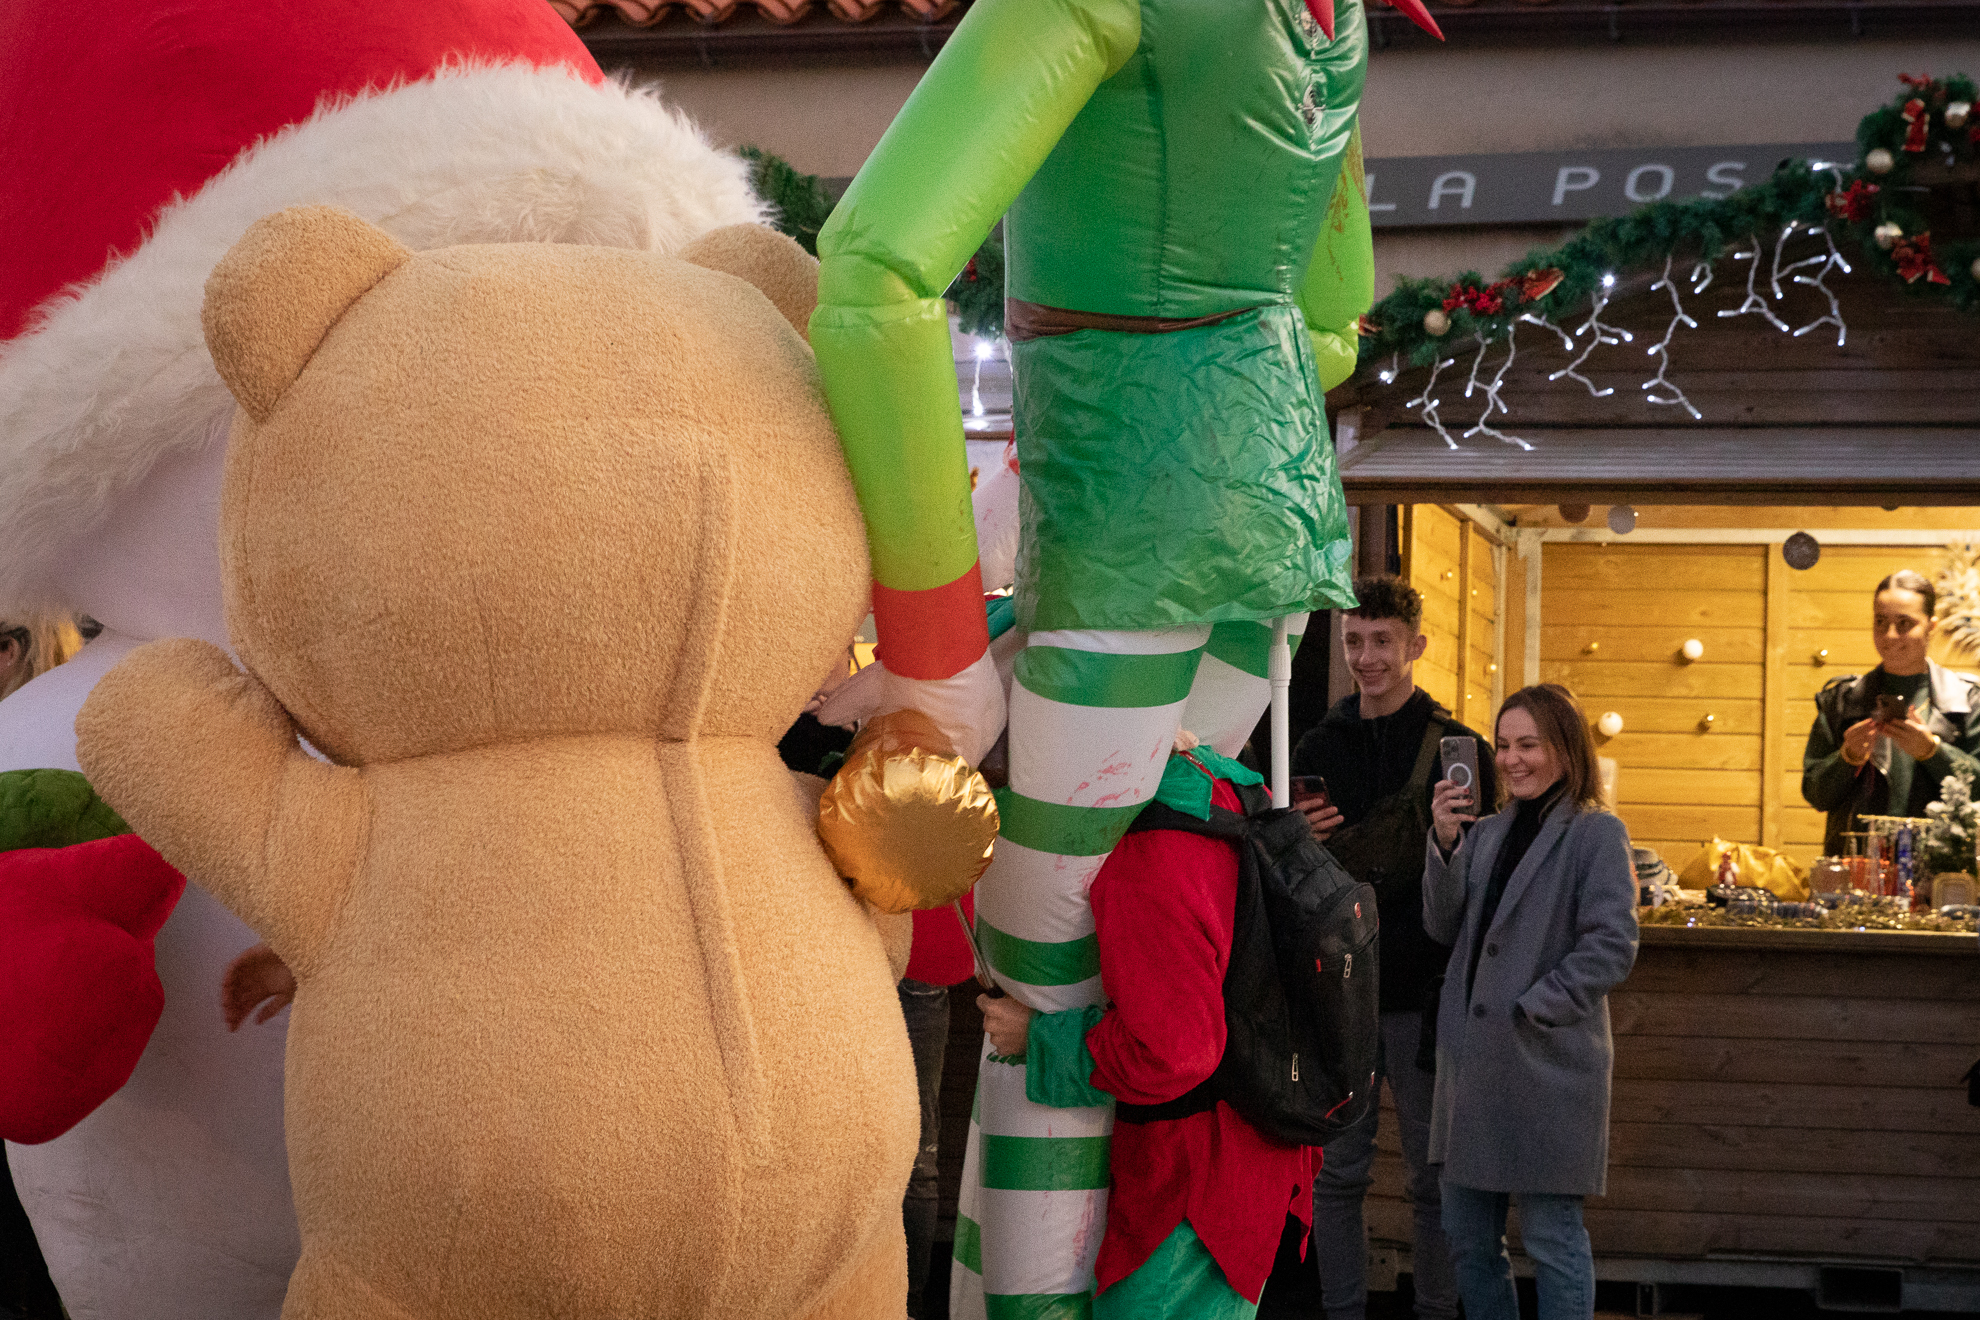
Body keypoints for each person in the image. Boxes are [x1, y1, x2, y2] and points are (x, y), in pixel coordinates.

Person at [978, 736, 1315, 1320]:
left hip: (1190, 1191)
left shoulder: (1146, 861)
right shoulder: (1222, 787)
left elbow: (1174, 1052)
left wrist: (1037, 1036)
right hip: (1252, 1158)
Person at [1290, 576, 1491, 1320]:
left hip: (1423, 993)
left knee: (1431, 1178)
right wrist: (1295, 838)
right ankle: (1343, 1313)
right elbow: (1289, 877)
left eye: (1381, 642)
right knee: (1337, 1173)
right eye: (1353, 641)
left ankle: (1437, 1312)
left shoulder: (1455, 747)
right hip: (1339, 991)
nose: (1366, 657)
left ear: (1416, 646)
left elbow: (1477, 881)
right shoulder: (1316, 744)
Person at [1423, 684, 1638, 1320]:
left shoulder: (1597, 834)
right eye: (1505, 746)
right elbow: (1441, 926)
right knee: (1466, 1238)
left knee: (1552, 1240)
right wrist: (1442, 843)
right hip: (1472, 1068)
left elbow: (1613, 944)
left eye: (1531, 745)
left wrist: (1535, 1007)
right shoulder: (1484, 833)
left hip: (1546, 1063)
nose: (1514, 760)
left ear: (1566, 751)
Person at [1802, 570, 1980, 855]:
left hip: (1941, 871)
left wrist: (1934, 752)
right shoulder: (1842, 700)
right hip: (1858, 871)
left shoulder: (1969, 701)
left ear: (1931, 627)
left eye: (1904, 623)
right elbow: (1815, 794)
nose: (1889, 635)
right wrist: (1847, 758)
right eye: (1880, 622)